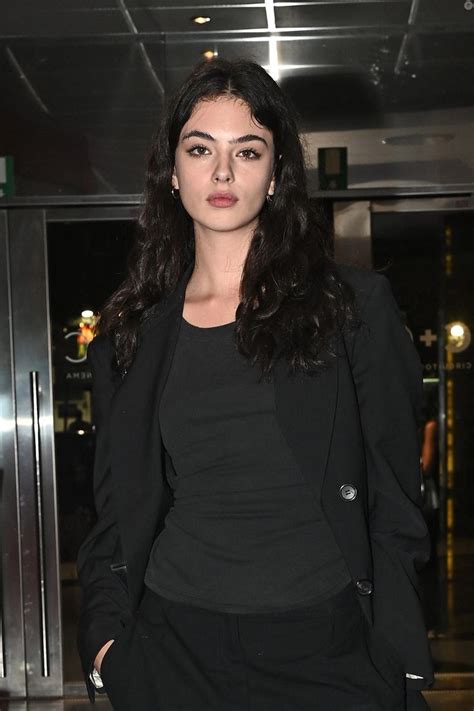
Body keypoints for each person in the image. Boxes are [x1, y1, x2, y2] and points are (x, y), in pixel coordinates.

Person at [77, 58, 434, 710]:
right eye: (199, 149)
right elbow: (114, 512)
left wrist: (400, 658)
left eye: (247, 151)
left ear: (274, 174)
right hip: (174, 650)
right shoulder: (130, 333)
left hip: (328, 651)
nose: (221, 172)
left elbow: (394, 500)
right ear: (172, 171)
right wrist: (108, 649)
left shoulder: (350, 309)